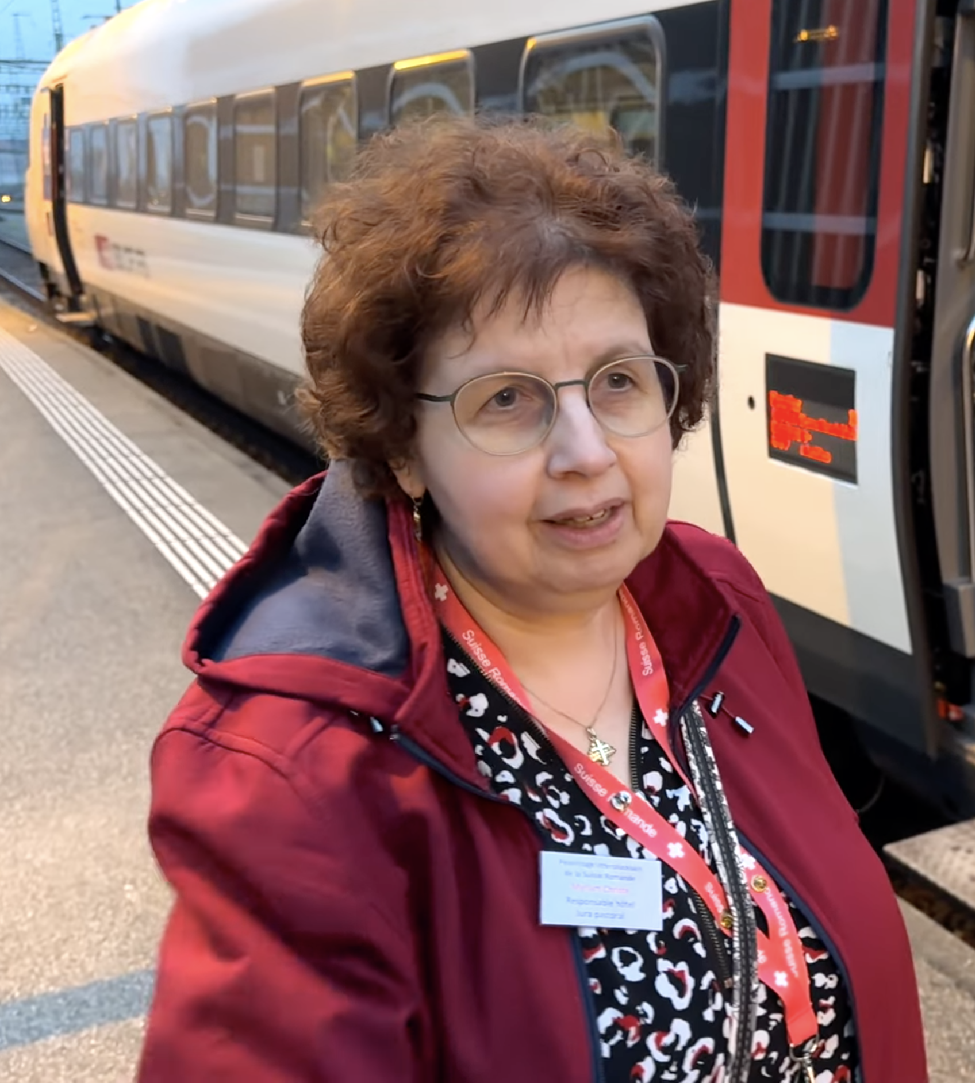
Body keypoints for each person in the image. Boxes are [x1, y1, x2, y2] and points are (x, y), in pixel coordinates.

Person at [136, 114, 927, 1083]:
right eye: (507, 399)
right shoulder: (296, 776)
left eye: (619, 383)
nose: (587, 452)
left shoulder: (716, 602)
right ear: (400, 450)